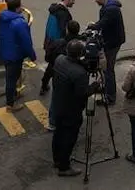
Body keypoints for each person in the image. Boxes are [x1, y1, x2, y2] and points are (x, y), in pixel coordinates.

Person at [50, 39, 100, 177]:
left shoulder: (60, 60)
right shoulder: (79, 73)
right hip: (71, 110)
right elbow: (82, 93)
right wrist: (94, 86)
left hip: (58, 104)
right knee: (69, 138)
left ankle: (57, 160)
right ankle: (64, 167)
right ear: (80, 54)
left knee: (58, 134)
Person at [0, 0, 36, 112]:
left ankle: (13, 93)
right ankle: (10, 104)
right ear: (17, 8)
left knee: (10, 76)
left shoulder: (2, 16)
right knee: (11, 79)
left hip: (4, 51)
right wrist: (32, 56)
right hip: (15, 55)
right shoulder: (19, 23)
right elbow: (26, 42)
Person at [89, 0, 125, 105]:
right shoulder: (110, 5)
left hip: (112, 43)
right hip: (113, 40)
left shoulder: (110, 10)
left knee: (108, 69)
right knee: (106, 68)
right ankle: (106, 87)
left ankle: (110, 97)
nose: (95, 1)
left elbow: (103, 23)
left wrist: (92, 26)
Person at [40, 0, 77, 96]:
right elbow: (64, 31)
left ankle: (44, 85)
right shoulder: (63, 14)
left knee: (51, 65)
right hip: (58, 44)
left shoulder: (54, 8)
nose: (73, 2)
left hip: (49, 42)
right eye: (72, 0)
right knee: (58, 67)